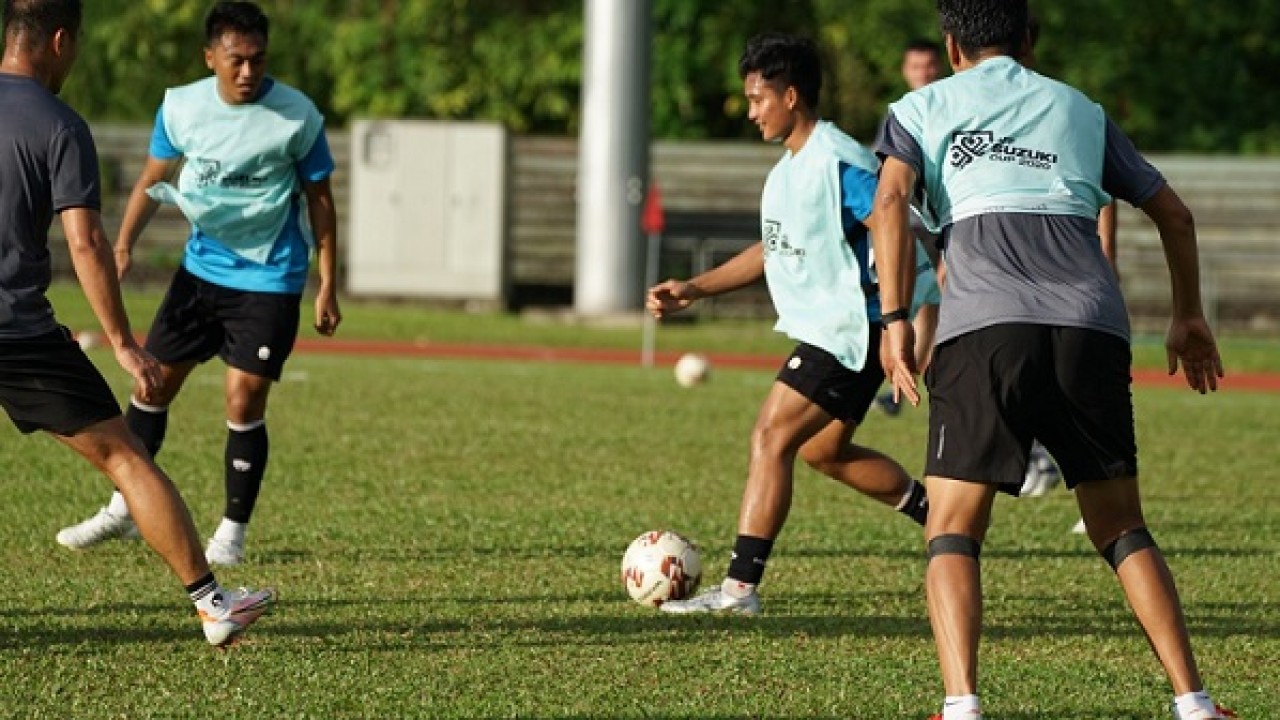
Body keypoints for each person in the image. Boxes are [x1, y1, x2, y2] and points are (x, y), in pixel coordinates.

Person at [872, 1, 1231, 718]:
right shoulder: (1082, 112)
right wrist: (1188, 314)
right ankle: (1193, 703)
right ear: (1029, 41)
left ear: (950, 46)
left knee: (952, 527)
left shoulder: (920, 107)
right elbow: (1176, 214)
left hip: (984, 330)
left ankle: (962, 706)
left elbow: (888, 205)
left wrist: (892, 322)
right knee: (1121, 527)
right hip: (1089, 330)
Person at [0, 0, 271, 646]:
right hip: (16, 333)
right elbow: (86, 244)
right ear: (60, 40)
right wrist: (122, 343)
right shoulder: (59, 126)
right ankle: (213, 604)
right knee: (127, 457)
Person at [646, 32, 930, 615]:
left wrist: (894, 316)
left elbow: (888, 218)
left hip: (852, 330)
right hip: (836, 329)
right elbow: (771, 250)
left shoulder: (838, 159)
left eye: (758, 99)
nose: (751, 111)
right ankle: (940, 516)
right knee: (824, 451)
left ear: (792, 95)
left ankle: (738, 590)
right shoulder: (788, 171)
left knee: (770, 436)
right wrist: (694, 288)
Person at [55, 0, 341, 566]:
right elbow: (152, 179)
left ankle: (231, 531)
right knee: (152, 384)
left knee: (244, 396)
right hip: (200, 271)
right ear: (210, 57)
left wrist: (327, 282)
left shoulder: (297, 115)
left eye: (258, 60)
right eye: (235, 60)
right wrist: (123, 245)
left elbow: (321, 200)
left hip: (270, 273)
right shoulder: (181, 107)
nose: (247, 72)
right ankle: (122, 510)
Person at [875, 39, 945, 418]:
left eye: (929, 66)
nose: (923, 73)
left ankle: (918, 374)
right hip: (906, 225)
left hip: (944, 226)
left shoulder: (952, 109)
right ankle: (905, 376)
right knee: (912, 301)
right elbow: (887, 186)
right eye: (916, 66)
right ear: (906, 70)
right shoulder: (899, 116)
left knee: (934, 301)